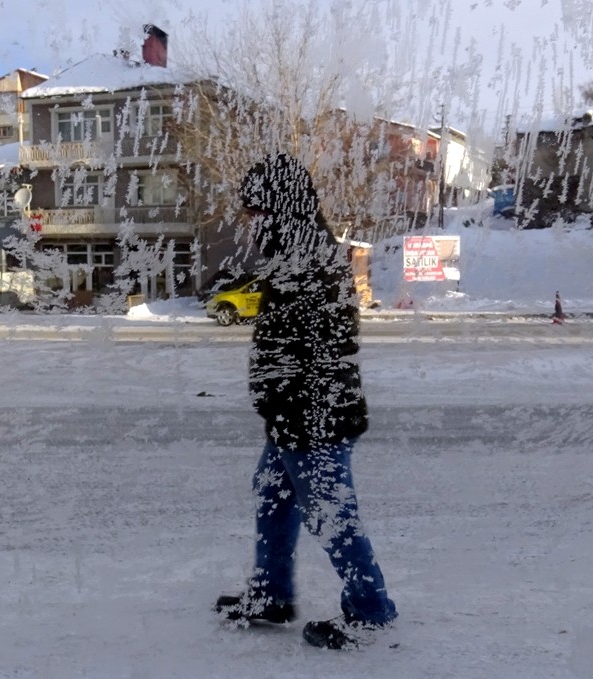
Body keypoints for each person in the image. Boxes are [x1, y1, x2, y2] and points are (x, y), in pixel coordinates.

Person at [214, 153, 397, 650]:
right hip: (296, 411)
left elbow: (319, 348)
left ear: (279, 208)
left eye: (255, 212)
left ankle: (370, 611)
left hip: (312, 414)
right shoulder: (296, 253)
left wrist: (295, 410)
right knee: (273, 491)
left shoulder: (307, 260)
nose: (250, 222)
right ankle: (271, 594)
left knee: (330, 513)